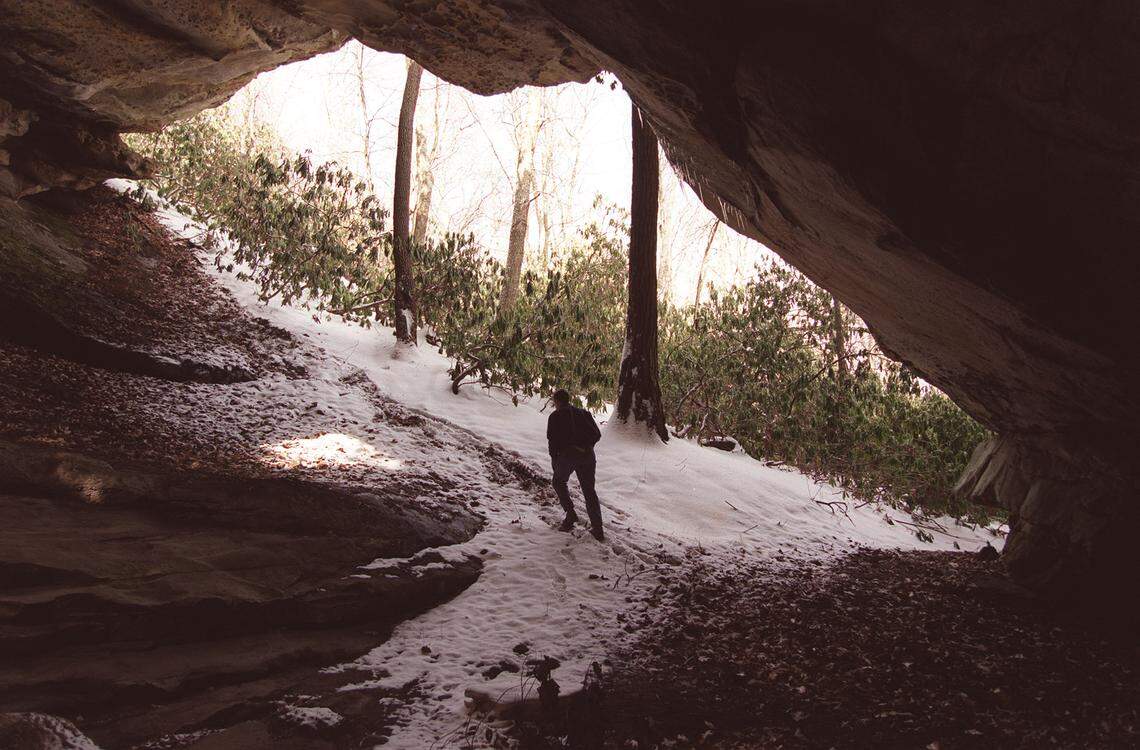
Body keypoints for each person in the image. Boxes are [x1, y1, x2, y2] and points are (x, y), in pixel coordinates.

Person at [546, 388, 604, 541]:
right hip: (588, 456)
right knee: (589, 491)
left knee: (558, 482)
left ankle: (570, 514)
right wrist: (586, 446)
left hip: (568, 456)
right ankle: (598, 529)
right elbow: (597, 434)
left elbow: (552, 442)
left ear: (557, 401)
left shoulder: (555, 417)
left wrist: (555, 460)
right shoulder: (584, 413)